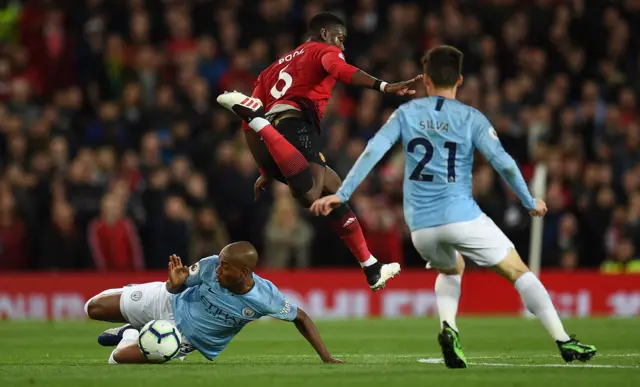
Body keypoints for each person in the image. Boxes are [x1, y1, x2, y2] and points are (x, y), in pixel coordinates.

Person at [310, 45, 597, 368]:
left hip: (420, 227)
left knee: (451, 267)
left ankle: (449, 328)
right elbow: (503, 163)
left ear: (427, 80)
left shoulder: (406, 113)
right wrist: (530, 202)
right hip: (462, 216)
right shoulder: (471, 118)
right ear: (459, 80)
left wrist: (342, 194)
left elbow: (373, 150)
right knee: (518, 271)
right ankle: (563, 340)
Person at [216, 12, 418, 291]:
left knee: (334, 191)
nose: (342, 47)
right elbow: (342, 71)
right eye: (340, 39)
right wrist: (384, 86)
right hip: (296, 123)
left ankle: (370, 266)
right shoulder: (324, 50)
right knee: (310, 193)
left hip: (276, 136)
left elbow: (246, 124)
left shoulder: (273, 68)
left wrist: (265, 167)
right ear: (325, 34)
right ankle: (370, 266)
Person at [84, 241, 343, 364]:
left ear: (244, 273)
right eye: (219, 262)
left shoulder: (265, 297)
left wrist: (326, 358)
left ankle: (131, 333)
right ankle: (137, 325)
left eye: (225, 266)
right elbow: (177, 285)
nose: (217, 269)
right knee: (92, 308)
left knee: (117, 359)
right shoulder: (210, 266)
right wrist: (174, 283)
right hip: (168, 300)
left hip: (182, 339)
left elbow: (301, 317)